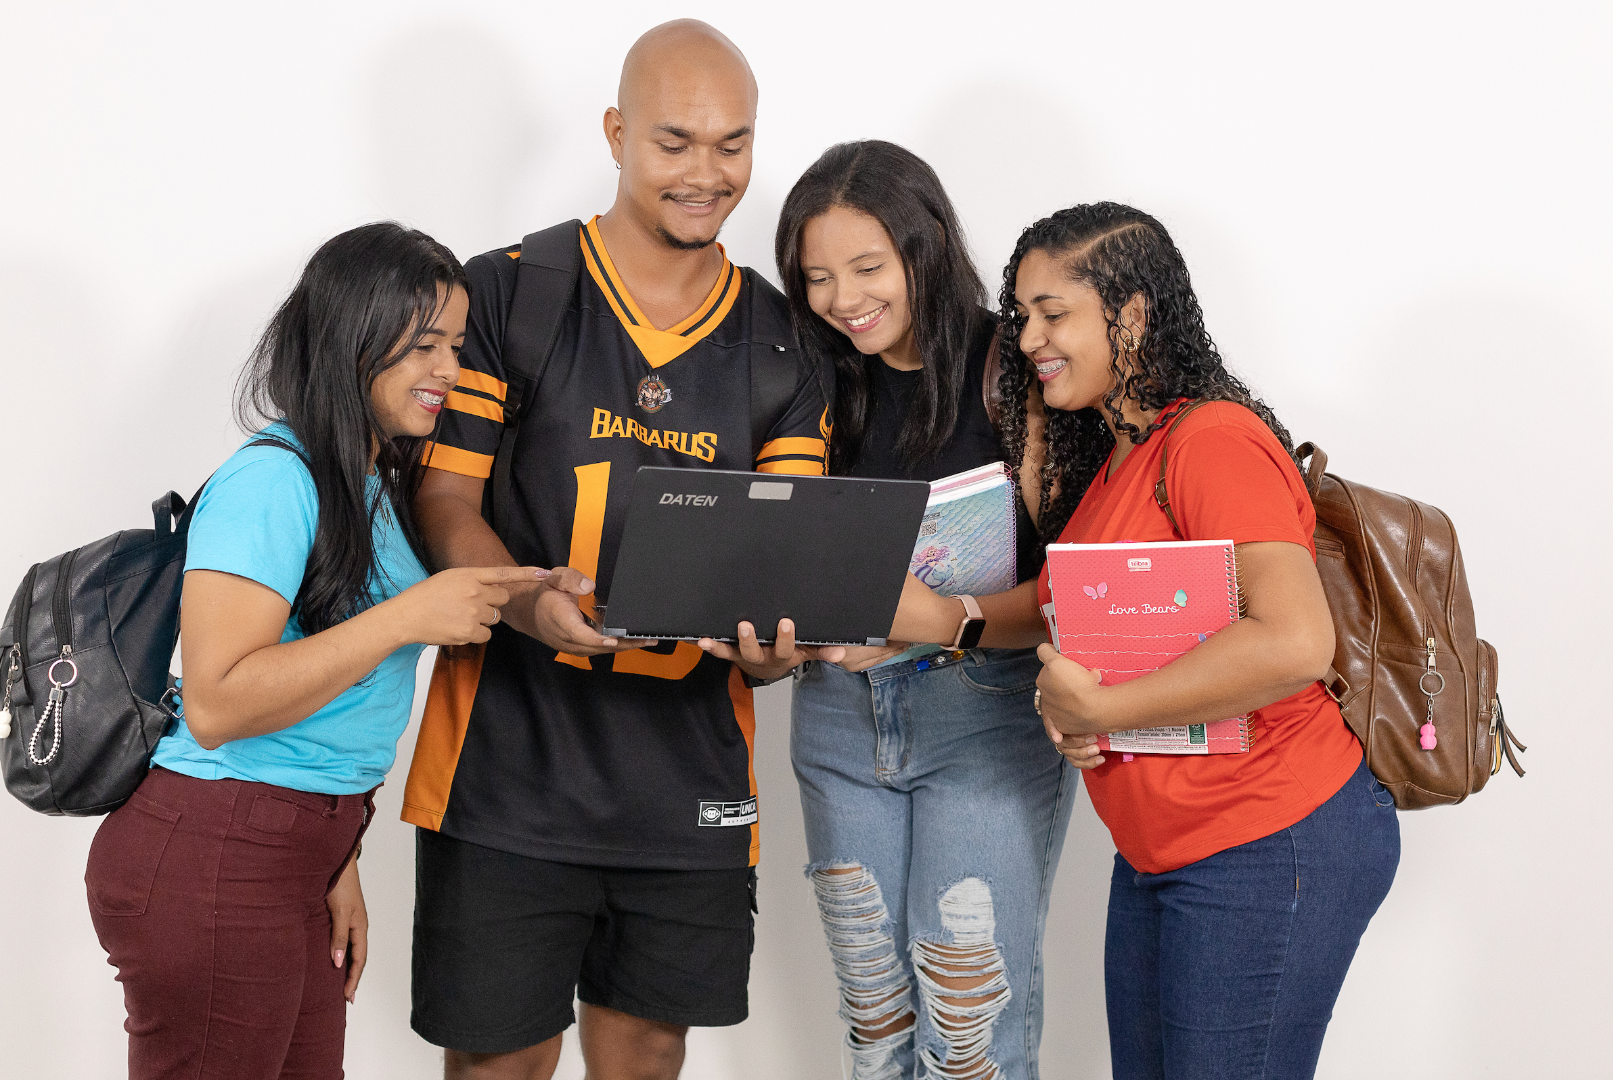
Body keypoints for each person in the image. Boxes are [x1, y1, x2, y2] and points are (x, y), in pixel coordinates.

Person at [400, 20, 836, 1080]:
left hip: (686, 775)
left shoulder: (786, 341)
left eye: (731, 145)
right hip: (505, 765)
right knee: (497, 1063)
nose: (707, 173)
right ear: (615, 133)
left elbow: (787, 559)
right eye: (675, 142)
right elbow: (442, 494)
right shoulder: (509, 289)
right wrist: (518, 598)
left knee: (644, 1056)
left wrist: (777, 650)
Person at [890, 202, 1399, 1079]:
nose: (1027, 339)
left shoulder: (1212, 440)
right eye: (1020, 317)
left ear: (1130, 314)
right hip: (1163, 851)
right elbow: (1078, 614)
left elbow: (1293, 641)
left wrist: (1104, 706)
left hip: (1267, 836)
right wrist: (958, 619)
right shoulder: (1123, 456)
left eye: (1054, 314)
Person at [83, 222, 539, 1080]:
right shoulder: (274, 479)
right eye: (421, 345)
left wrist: (339, 861)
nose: (447, 369)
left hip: (292, 853)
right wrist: (411, 616)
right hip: (215, 850)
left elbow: (327, 721)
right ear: (351, 341)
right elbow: (218, 703)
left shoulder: (368, 479)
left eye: (454, 344)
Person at [773, 140, 1074, 1080]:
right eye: (817, 276)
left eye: (868, 268)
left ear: (926, 247)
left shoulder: (1015, 371)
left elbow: (1071, 595)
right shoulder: (806, 377)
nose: (842, 298)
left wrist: (943, 617)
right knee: (874, 1018)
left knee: (968, 1029)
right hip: (834, 720)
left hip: (979, 716)